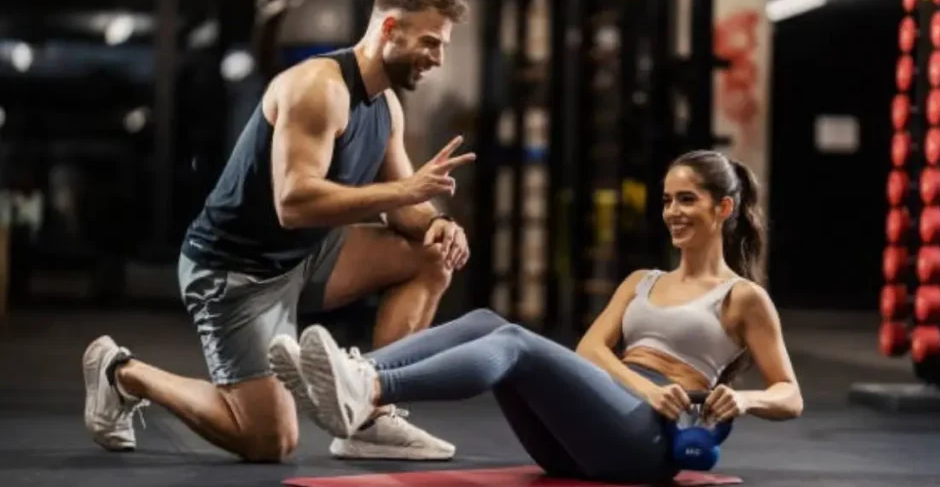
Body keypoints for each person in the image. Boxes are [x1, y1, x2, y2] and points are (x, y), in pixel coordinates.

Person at [81, 0, 475, 463]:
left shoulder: (386, 107)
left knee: (431, 254)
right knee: (270, 442)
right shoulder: (318, 87)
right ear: (390, 29)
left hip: (305, 256)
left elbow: (404, 205)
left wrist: (437, 222)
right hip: (234, 271)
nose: (437, 59)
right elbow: (294, 204)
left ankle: (371, 413)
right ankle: (122, 372)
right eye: (431, 43)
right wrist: (405, 189)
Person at [282, 150, 804, 483]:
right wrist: (639, 386)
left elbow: (790, 394)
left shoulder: (742, 297)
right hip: (593, 431)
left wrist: (745, 398)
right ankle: (354, 374)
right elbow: (590, 352)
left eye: (687, 199)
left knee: (513, 344)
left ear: (725, 209)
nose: (672, 211)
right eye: (667, 200)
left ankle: (370, 389)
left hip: (649, 442)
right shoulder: (642, 280)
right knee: (487, 320)